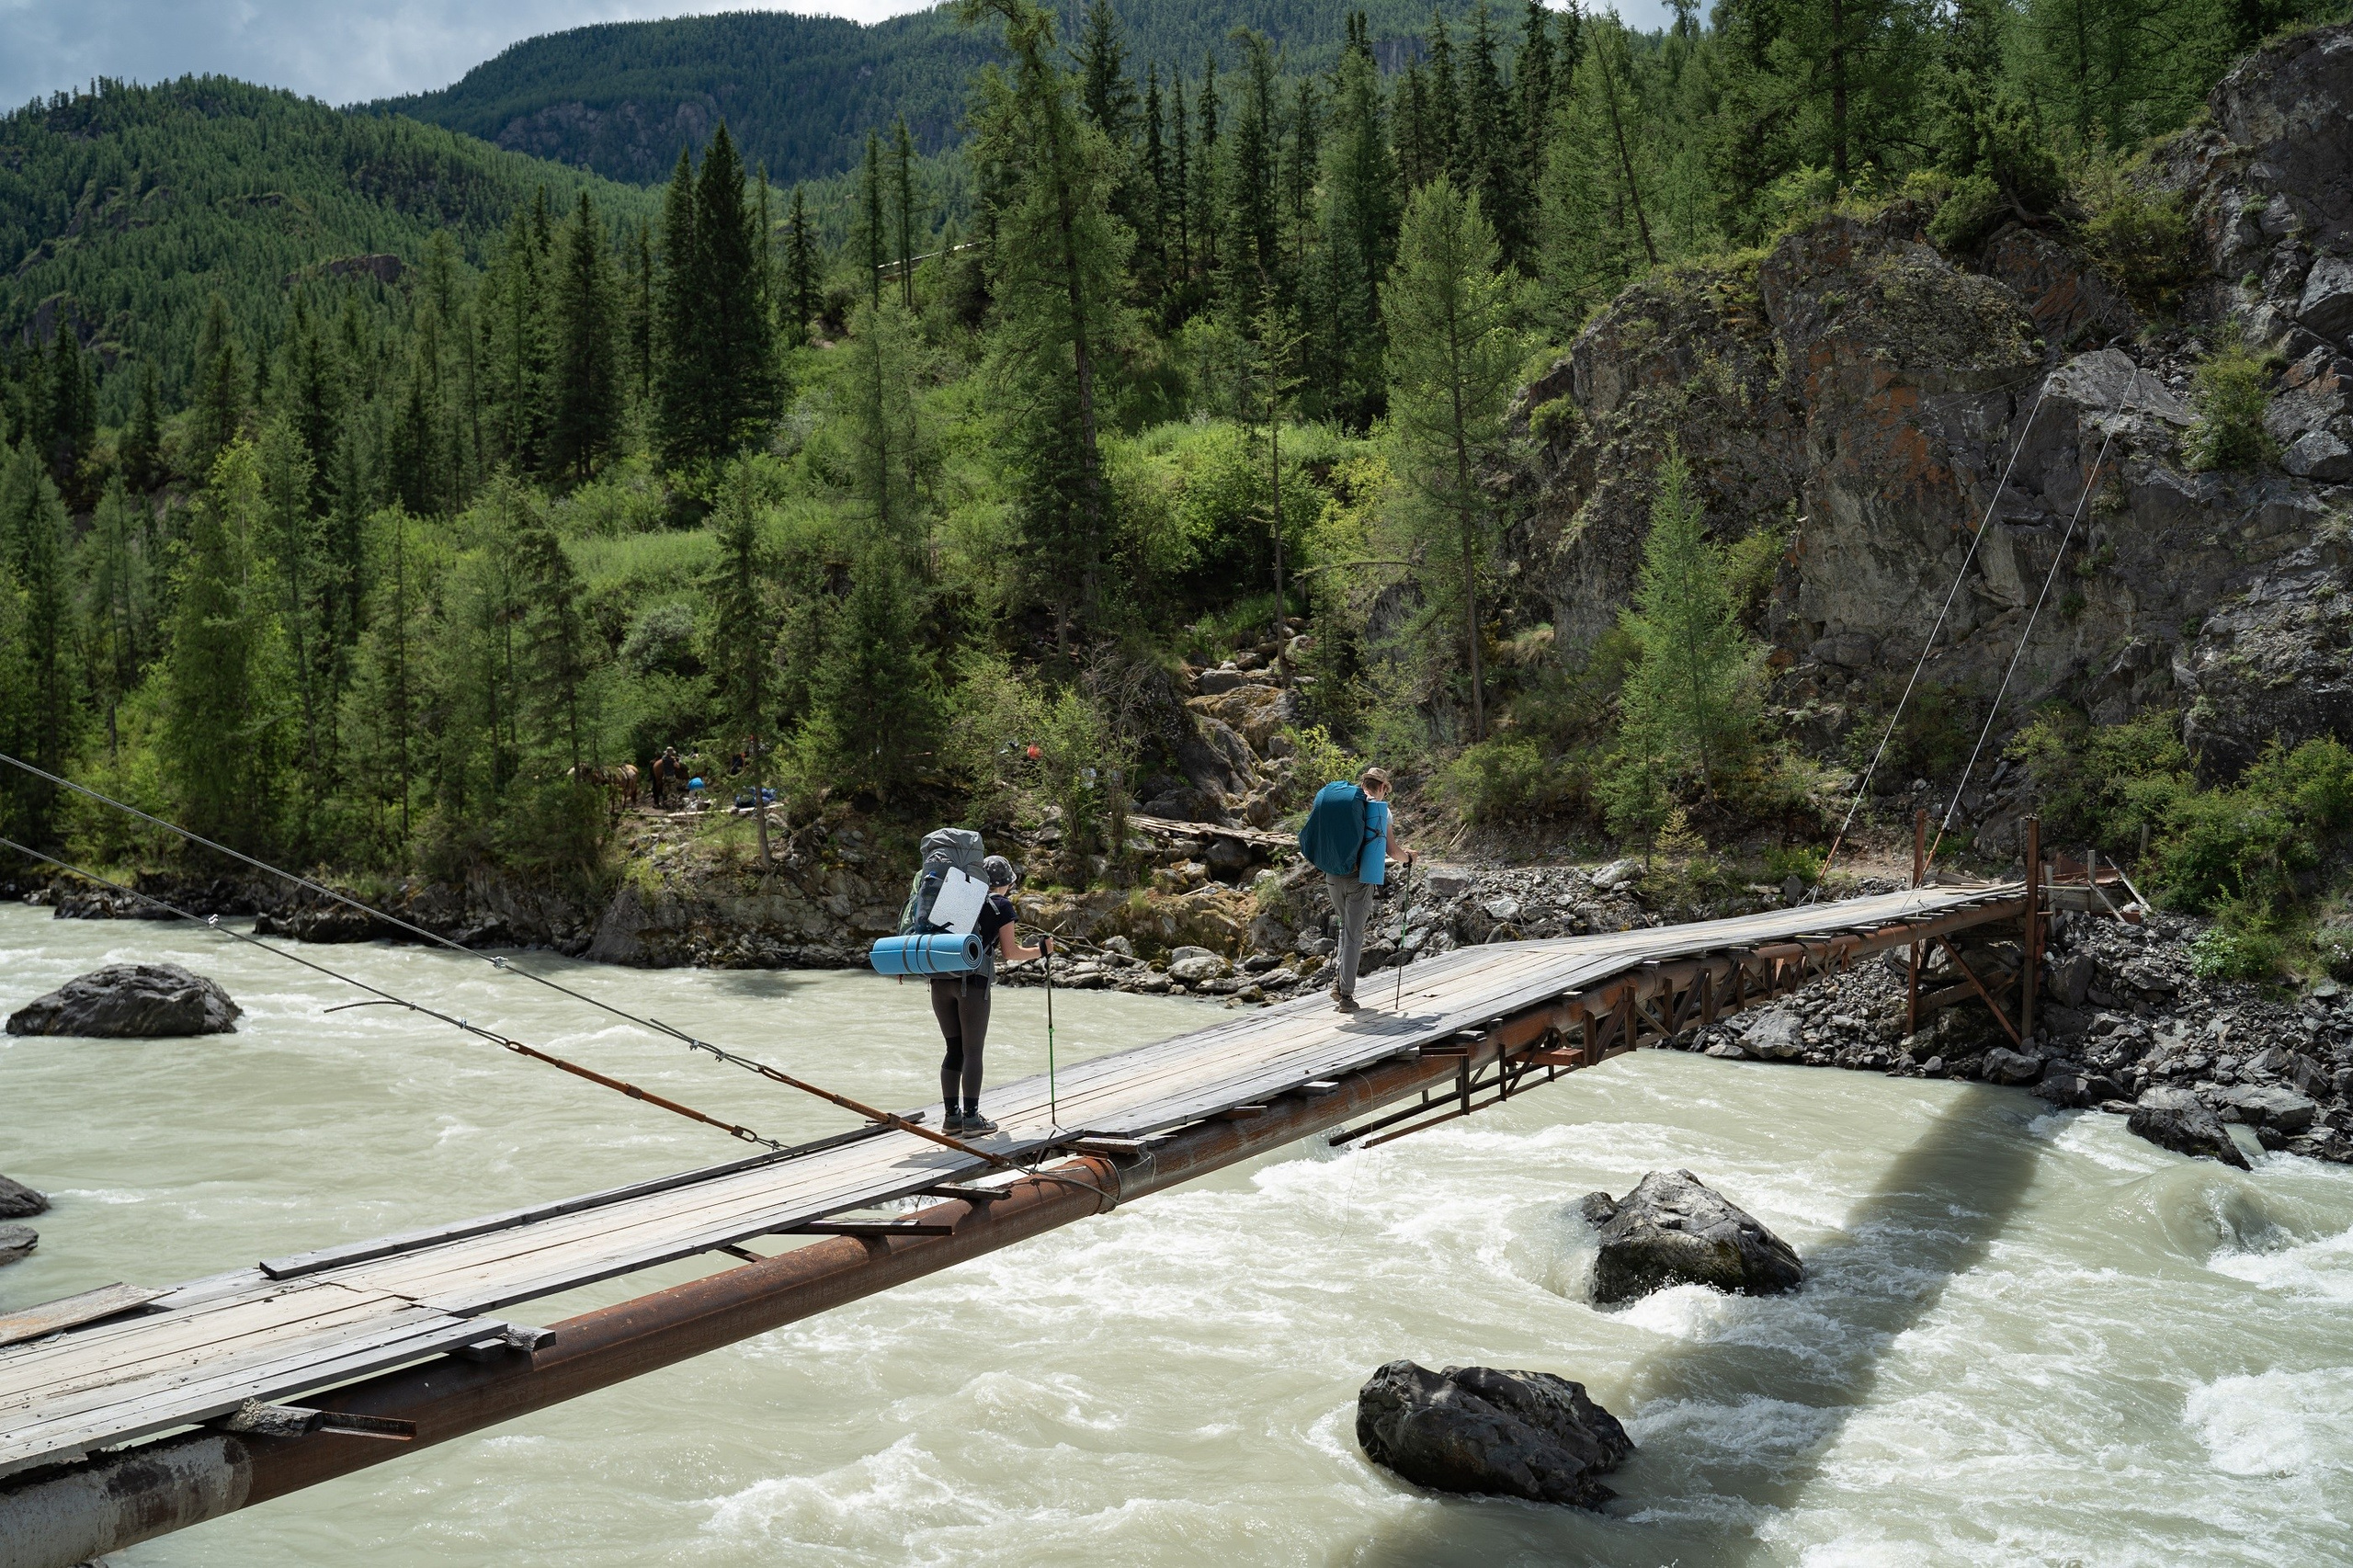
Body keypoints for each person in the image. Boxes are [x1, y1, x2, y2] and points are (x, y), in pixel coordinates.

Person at [933, 855, 1051, 1134]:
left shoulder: (957, 899)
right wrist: (1043, 951)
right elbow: (1011, 953)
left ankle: (952, 1118)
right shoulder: (1001, 905)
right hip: (972, 985)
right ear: (1007, 883)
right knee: (973, 1050)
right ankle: (972, 1120)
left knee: (954, 1049)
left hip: (939, 982)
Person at [1325, 767, 1413, 1013]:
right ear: (1383, 786)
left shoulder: (1344, 803)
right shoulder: (1380, 810)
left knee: (1346, 927)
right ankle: (1346, 997)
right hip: (1359, 878)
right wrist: (1409, 858)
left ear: (1363, 782)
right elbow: (1393, 852)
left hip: (1332, 874)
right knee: (1354, 934)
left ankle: (1339, 984)